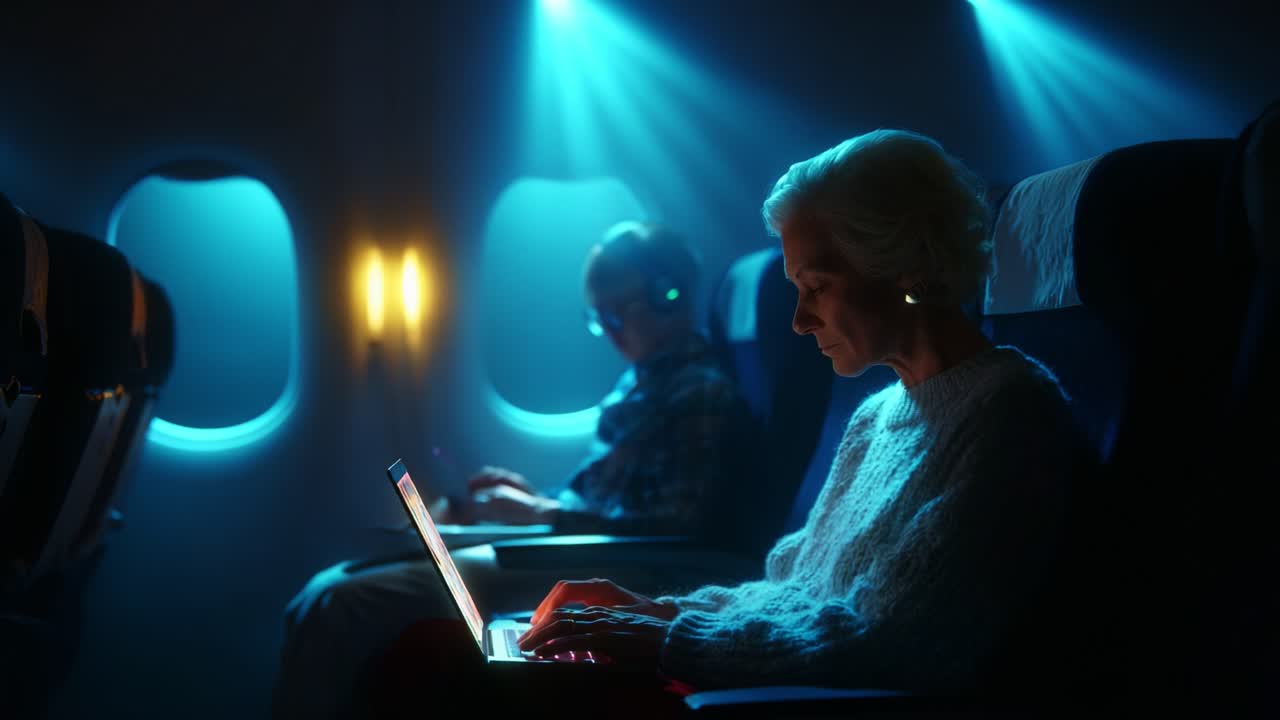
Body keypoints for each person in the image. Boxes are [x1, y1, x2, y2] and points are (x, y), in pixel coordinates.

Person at [370, 128, 1096, 710]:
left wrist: (662, 636)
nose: (800, 320)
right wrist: (651, 611)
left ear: (908, 267)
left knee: (439, 675)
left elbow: (892, 641)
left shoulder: (1010, 413)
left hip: (799, 698)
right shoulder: (880, 415)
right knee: (434, 654)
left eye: (816, 286)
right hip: (741, 666)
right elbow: (792, 585)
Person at [273, 221, 764, 719]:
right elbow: (610, 498)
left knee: (341, 601)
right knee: (341, 580)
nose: (611, 331)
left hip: (627, 562)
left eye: (618, 313)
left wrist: (545, 515)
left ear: (668, 295)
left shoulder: (698, 392)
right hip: (581, 542)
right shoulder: (639, 382)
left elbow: (673, 524)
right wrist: (536, 501)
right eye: (599, 318)